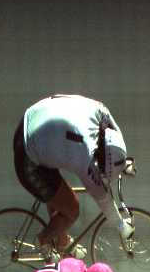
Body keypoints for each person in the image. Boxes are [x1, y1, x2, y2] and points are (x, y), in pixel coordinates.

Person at [13, 94, 136, 255]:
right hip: (28, 155)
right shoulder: (84, 154)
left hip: (33, 121)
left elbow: (114, 138)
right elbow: (103, 199)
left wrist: (122, 162)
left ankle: (62, 242)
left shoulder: (101, 112)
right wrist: (121, 226)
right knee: (72, 208)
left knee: (60, 195)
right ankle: (44, 240)